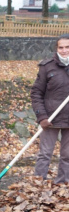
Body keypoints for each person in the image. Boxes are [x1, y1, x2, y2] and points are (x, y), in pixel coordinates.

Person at [31, 33, 69, 184]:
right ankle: (37, 185)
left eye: (68, 47)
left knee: (67, 155)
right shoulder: (47, 67)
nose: (65, 50)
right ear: (56, 48)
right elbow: (36, 93)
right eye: (61, 47)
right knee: (45, 153)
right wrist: (42, 117)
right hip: (50, 119)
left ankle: (63, 184)